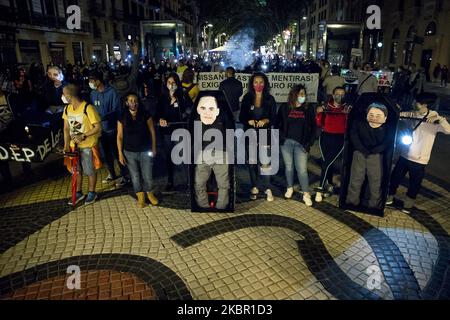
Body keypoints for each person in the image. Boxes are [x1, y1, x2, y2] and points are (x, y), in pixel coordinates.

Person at [387, 93, 450, 212]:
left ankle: (408, 204)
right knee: (395, 177)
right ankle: (389, 197)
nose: (412, 103)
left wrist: (441, 120)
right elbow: (399, 115)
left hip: (420, 159)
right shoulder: (412, 113)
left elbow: (448, 130)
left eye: (415, 102)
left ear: (424, 104)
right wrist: (395, 109)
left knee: (414, 183)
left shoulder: (434, 118)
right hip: (405, 155)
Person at [192, 93, 234, 210]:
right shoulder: (196, 118)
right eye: (203, 108)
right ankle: (203, 206)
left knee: (224, 184)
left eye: (210, 108)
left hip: (221, 152)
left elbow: (230, 132)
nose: (207, 111)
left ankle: (221, 206)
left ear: (217, 110)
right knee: (199, 183)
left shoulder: (224, 116)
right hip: (203, 153)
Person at [239, 72, 277, 202]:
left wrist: (266, 120)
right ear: (252, 84)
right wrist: (248, 121)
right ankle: (254, 186)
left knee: (265, 163)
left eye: (261, 82)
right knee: (252, 163)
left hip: (264, 134)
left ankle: (267, 187)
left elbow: (274, 118)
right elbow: (241, 117)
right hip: (250, 134)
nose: (258, 85)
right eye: (256, 82)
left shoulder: (269, 99)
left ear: (265, 84)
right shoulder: (247, 98)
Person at [62, 84, 102, 206]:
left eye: (64, 94)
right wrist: (66, 145)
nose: (62, 96)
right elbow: (66, 128)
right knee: (76, 171)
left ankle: (91, 192)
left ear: (69, 96)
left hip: (87, 146)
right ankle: (78, 192)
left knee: (89, 170)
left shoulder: (88, 108)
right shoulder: (67, 109)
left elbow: (98, 127)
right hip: (74, 146)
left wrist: (83, 135)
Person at [277, 84, 316, 206]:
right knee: (289, 167)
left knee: (302, 170)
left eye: (304, 94)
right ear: (294, 95)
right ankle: (289, 187)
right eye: (300, 94)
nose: (302, 96)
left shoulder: (308, 109)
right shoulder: (284, 108)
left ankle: (306, 193)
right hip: (286, 143)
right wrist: (280, 138)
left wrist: (309, 143)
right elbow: (277, 124)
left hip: (302, 144)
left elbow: (314, 128)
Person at [117, 93, 158, 208]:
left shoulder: (145, 114)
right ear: (126, 103)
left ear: (138, 102)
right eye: (130, 101)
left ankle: (150, 193)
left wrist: (154, 147)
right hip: (129, 152)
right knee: (135, 176)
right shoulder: (122, 116)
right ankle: (140, 196)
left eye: (135, 100)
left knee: (148, 175)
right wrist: (120, 153)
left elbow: (152, 131)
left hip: (145, 150)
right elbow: (119, 136)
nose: (133, 103)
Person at [346, 103, 390, 208]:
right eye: (371, 115)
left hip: (376, 156)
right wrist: (362, 148)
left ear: (385, 118)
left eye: (378, 116)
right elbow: (354, 135)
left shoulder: (387, 128)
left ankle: (374, 205)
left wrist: (374, 150)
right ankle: (352, 201)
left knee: (375, 182)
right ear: (366, 115)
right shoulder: (359, 123)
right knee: (355, 179)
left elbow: (387, 141)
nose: (374, 118)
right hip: (359, 153)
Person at [89, 70, 127, 187]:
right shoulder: (93, 94)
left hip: (112, 129)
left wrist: (105, 117)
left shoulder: (112, 92)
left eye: (92, 80)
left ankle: (125, 175)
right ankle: (112, 174)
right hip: (100, 131)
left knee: (117, 153)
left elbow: (117, 110)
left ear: (99, 81)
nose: (91, 83)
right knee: (106, 154)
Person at [157, 72, 193, 192]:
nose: (171, 85)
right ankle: (170, 181)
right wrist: (161, 119)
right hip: (167, 132)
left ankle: (188, 182)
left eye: (173, 82)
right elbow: (158, 113)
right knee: (169, 157)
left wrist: (183, 111)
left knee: (184, 158)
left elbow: (190, 109)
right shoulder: (162, 97)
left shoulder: (182, 95)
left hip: (180, 131)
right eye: (169, 82)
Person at [315, 86, 350, 202]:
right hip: (325, 137)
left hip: (339, 139)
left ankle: (320, 189)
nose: (339, 96)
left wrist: (348, 115)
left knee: (326, 164)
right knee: (327, 163)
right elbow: (319, 123)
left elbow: (348, 127)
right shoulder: (325, 106)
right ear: (332, 94)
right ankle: (329, 183)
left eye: (342, 94)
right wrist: (318, 112)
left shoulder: (347, 108)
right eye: (337, 94)